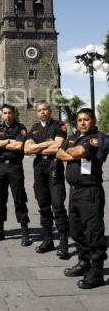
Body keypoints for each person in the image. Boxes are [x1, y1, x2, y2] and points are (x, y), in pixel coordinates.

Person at [56, 108, 107, 289]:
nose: (82, 123)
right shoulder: (73, 136)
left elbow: (76, 153)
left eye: (86, 119)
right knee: (76, 231)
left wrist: (71, 153)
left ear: (93, 121)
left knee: (93, 232)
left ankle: (96, 272)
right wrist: (72, 152)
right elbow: (58, 153)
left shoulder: (99, 138)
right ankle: (84, 262)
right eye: (79, 120)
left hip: (90, 192)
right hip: (75, 191)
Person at [24, 101, 69, 258]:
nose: (43, 112)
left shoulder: (59, 125)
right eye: (40, 110)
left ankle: (63, 242)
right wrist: (46, 143)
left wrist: (38, 147)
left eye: (45, 109)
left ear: (50, 111)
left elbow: (57, 147)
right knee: (43, 205)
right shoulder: (35, 128)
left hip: (54, 166)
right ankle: (48, 239)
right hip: (39, 168)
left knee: (57, 205)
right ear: (37, 112)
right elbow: (27, 149)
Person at [0, 104, 30, 246]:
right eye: (4, 113)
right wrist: (7, 141)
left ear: (14, 114)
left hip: (14, 166)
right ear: (2, 114)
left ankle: (25, 232)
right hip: (0, 167)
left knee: (19, 198)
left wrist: (0, 144)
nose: (7, 115)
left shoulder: (20, 128)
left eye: (9, 113)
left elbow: (19, 146)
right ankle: (0, 230)